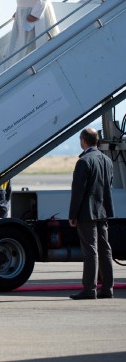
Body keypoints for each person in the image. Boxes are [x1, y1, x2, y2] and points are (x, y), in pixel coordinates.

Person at [68, 127, 115, 300]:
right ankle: (108, 288)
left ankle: (89, 289)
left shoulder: (84, 161)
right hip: (103, 211)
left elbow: (78, 192)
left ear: (83, 141)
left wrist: (72, 215)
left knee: (90, 251)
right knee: (105, 250)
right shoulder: (106, 160)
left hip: (87, 213)